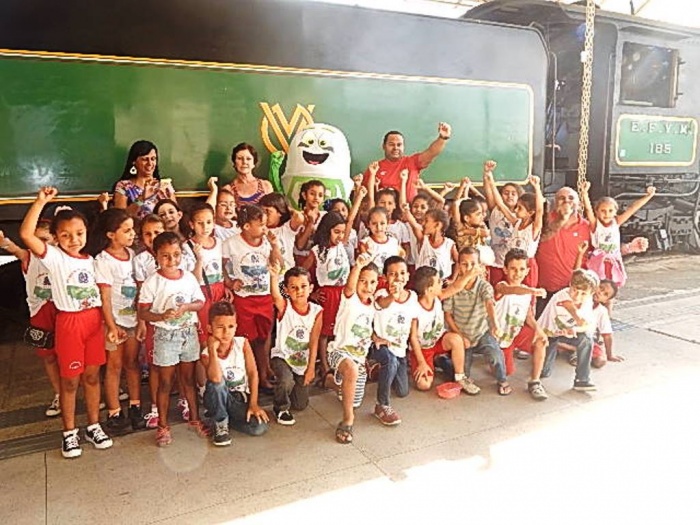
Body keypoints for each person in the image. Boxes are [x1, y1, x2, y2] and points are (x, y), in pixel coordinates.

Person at [20, 187, 113, 458]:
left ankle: (93, 426)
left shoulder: (91, 260)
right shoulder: (54, 258)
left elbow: (101, 295)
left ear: (87, 232)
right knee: (70, 382)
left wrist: (109, 325)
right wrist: (40, 202)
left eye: (79, 233)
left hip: (93, 322)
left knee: (92, 377)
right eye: (66, 235)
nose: (74, 240)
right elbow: (26, 235)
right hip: (69, 324)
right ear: (56, 238)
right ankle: (69, 433)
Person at [137, 232, 207, 446]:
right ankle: (163, 426)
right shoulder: (152, 282)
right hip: (165, 336)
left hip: (188, 333)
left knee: (188, 379)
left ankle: (195, 419)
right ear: (156, 256)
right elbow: (142, 312)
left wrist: (186, 307)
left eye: (176, 254)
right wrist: (161, 316)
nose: (172, 260)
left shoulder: (188, 278)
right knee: (165, 382)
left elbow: (200, 302)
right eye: (165, 256)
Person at [93, 209, 146, 431]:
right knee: (114, 366)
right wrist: (111, 326)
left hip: (133, 320)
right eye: (127, 230)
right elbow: (104, 298)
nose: (132, 234)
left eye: (132, 229)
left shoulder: (133, 255)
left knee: (132, 363)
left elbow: (140, 289)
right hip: (114, 322)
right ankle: (114, 412)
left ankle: (135, 406)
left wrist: (141, 320)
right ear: (111, 234)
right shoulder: (103, 260)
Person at [0, 226, 61, 417]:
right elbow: (12, 247)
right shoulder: (28, 257)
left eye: (45, 239)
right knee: (49, 356)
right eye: (35, 240)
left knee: (71, 355)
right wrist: (3, 241)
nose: (39, 244)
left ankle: (86, 392)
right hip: (40, 314)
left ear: (55, 239)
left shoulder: (63, 258)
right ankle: (59, 394)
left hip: (63, 312)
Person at [222, 204, 282, 391]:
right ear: (247, 226)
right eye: (261, 225)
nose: (265, 228)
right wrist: (229, 282)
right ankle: (246, 380)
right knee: (245, 340)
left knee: (263, 339)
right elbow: (221, 266)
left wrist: (274, 246)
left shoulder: (267, 242)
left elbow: (278, 264)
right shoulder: (231, 244)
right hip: (244, 299)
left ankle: (262, 376)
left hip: (265, 297)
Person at [325, 253, 379, 444]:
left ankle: (332, 382)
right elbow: (349, 287)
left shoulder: (372, 305)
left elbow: (366, 329)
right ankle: (348, 420)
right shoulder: (350, 298)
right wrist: (357, 266)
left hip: (358, 357)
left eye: (372, 282)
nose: (367, 286)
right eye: (363, 281)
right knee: (351, 371)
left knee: (353, 400)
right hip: (338, 352)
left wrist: (377, 338)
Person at [201, 301, 269, 447]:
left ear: (236, 327)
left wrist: (254, 404)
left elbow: (253, 373)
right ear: (210, 328)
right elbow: (215, 378)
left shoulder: (242, 343)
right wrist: (212, 349)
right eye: (220, 327)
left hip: (238, 400)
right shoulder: (206, 354)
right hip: (217, 398)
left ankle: (226, 420)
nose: (226, 332)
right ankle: (221, 424)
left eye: (230, 327)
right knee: (218, 385)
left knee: (259, 427)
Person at [443, 247, 510, 395]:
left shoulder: (484, 286)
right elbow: (448, 316)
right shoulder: (453, 289)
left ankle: (502, 380)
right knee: (461, 375)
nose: (469, 268)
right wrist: (460, 336)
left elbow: (489, 303)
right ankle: (443, 361)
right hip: (461, 336)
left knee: (495, 354)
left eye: (473, 264)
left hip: (481, 333)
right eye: (464, 264)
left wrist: (495, 324)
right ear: (458, 266)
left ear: (480, 266)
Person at [492, 249, 550, 400]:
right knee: (506, 372)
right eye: (513, 269)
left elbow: (528, 316)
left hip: (516, 334)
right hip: (498, 338)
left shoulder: (527, 292)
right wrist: (532, 290)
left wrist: (538, 330)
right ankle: (496, 358)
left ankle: (535, 382)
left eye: (522, 269)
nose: (517, 273)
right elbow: (512, 290)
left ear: (527, 271)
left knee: (541, 340)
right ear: (505, 269)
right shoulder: (501, 286)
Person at [268, 265, 323, 426]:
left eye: (303, 286)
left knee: (300, 404)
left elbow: (314, 340)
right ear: (286, 290)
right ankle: (280, 407)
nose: (299, 291)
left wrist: (311, 367)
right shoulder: (285, 306)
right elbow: (275, 296)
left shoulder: (317, 311)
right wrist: (274, 277)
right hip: (282, 356)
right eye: (294, 287)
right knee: (285, 379)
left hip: (301, 361)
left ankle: (286, 389)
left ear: (311, 288)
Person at [371, 256, 420, 426]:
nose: (398, 277)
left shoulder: (413, 297)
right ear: (385, 277)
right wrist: (393, 296)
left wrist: (419, 359)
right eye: (392, 274)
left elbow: (413, 329)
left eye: (402, 273)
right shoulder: (382, 294)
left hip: (400, 349)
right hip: (380, 345)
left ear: (408, 275)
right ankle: (382, 405)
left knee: (402, 391)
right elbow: (382, 304)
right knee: (389, 361)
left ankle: (380, 372)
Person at [303, 211, 351, 377]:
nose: (340, 236)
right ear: (326, 230)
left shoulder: (341, 245)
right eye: (336, 232)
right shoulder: (317, 251)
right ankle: (324, 366)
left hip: (343, 293)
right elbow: (302, 272)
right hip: (328, 295)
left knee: (339, 329)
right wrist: (311, 294)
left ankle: (338, 362)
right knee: (324, 332)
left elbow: (351, 218)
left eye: (342, 232)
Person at [581, 182, 656, 287]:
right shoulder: (595, 225)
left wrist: (648, 196)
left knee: (613, 285)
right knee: (597, 284)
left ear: (615, 212)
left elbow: (632, 208)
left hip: (614, 259)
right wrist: (585, 193)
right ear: (597, 212)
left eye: (610, 211)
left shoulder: (616, 222)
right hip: (599, 261)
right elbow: (588, 209)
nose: (607, 214)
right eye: (603, 211)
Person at [409, 266, 470, 392]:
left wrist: (471, 273)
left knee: (456, 339)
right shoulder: (415, 308)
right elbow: (413, 338)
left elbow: (456, 287)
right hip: (423, 349)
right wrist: (422, 363)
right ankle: (436, 361)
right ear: (429, 289)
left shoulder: (437, 297)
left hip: (438, 341)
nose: (441, 282)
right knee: (424, 385)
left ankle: (460, 377)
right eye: (438, 281)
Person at [538, 269, 599, 391]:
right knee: (544, 372)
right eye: (575, 290)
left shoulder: (588, 300)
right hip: (548, 333)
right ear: (570, 285)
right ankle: (551, 350)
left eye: (583, 293)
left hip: (566, 333)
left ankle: (582, 379)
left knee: (587, 339)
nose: (577, 296)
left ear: (591, 293)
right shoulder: (562, 297)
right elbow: (575, 313)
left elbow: (588, 326)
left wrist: (575, 329)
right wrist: (579, 323)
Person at [483, 167, 544, 287]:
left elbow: (540, 210)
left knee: (526, 294)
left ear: (530, 213)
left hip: (526, 265)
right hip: (512, 263)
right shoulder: (516, 222)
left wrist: (537, 187)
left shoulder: (534, 228)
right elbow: (500, 204)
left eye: (519, 208)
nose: (515, 210)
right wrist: (490, 179)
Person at [362, 122, 452, 202]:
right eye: (391, 144)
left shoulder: (412, 162)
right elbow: (365, 197)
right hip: (384, 214)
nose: (396, 148)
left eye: (399, 145)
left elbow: (431, 153)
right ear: (383, 146)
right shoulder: (374, 168)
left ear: (403, 146)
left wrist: (442, 138)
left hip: (411, 212)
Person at [132, 214, 166, 428]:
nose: (153, 237)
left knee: (179, 364)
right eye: (148, 234)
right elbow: (140, 293)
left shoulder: (177, 254)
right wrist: (142, 322)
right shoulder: (140, 260)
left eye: (157, 232)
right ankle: (155, 407)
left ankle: (183, 401)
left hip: (174, 319)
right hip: (152, 319)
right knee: (154, 364)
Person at [535, 186, 591, 315]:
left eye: (571, 198)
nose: (566, 201)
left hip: (572, 291)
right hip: (544, 289)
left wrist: (628, 248)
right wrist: (562, 218)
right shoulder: (544, 220)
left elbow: (603, 250)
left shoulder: (587, 227)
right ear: (555, 203)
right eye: (561, 198)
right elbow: (543, 237)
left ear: (579, 203)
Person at [113, 140, 175, 219]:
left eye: (153, 159)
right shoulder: (123, 186)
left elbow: (176, 216)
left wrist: (168, 199)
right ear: (134, 161)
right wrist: (142, 198)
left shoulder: (165, 186)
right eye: (145, 159)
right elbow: (120, 218)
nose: (150, 163)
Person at [481, 160, 524, 268]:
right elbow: (488, 192)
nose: (509, 196)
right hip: (496, 261)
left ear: (519, 197)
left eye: (513, 194)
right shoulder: (495, 210)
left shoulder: (521, 216)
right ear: (499, 196)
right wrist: (486, 174)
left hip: (515, 264)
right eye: (506, 193)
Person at [403, 206, 457, 282]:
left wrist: (452, 279)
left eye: (426, 221)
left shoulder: (449, 245)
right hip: (423, 284)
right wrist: (406, 210)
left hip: (441, 284)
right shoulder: (423, 240)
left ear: (437, 225)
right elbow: (414, 225)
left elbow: (459, 262)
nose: (423, 224)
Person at [259, 192, 305, 274]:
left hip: (286, 275)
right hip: (267, 275)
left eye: (268, 212)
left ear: (279, 212)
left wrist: (284, 206)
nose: (264, 215)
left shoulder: (286, 229)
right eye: (262, 212)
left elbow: (299, 217)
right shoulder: (259, 229)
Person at [206, 176, 241, 241]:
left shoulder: (238, 226)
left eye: (232, 204)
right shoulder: (212, 227)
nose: (228, 208)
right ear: (215, 206)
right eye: (223, 205)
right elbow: (207, 214)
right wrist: (214, 190)